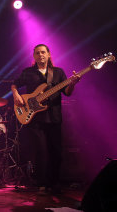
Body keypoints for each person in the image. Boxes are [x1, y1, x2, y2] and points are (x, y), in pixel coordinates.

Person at [11, 44, 80, 193]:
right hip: (35, 119)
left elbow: (67, 92)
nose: (40, 55)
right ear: (34, 56)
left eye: (43, 52)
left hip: (54, 117)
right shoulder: (28, 72)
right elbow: (14, 84)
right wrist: (16, 94)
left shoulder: (58, 72)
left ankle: (54, 183)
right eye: (37, 53)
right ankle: (41, 184)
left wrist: (72, 83)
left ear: (49, 54)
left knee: (56, 151)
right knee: (40, 151)